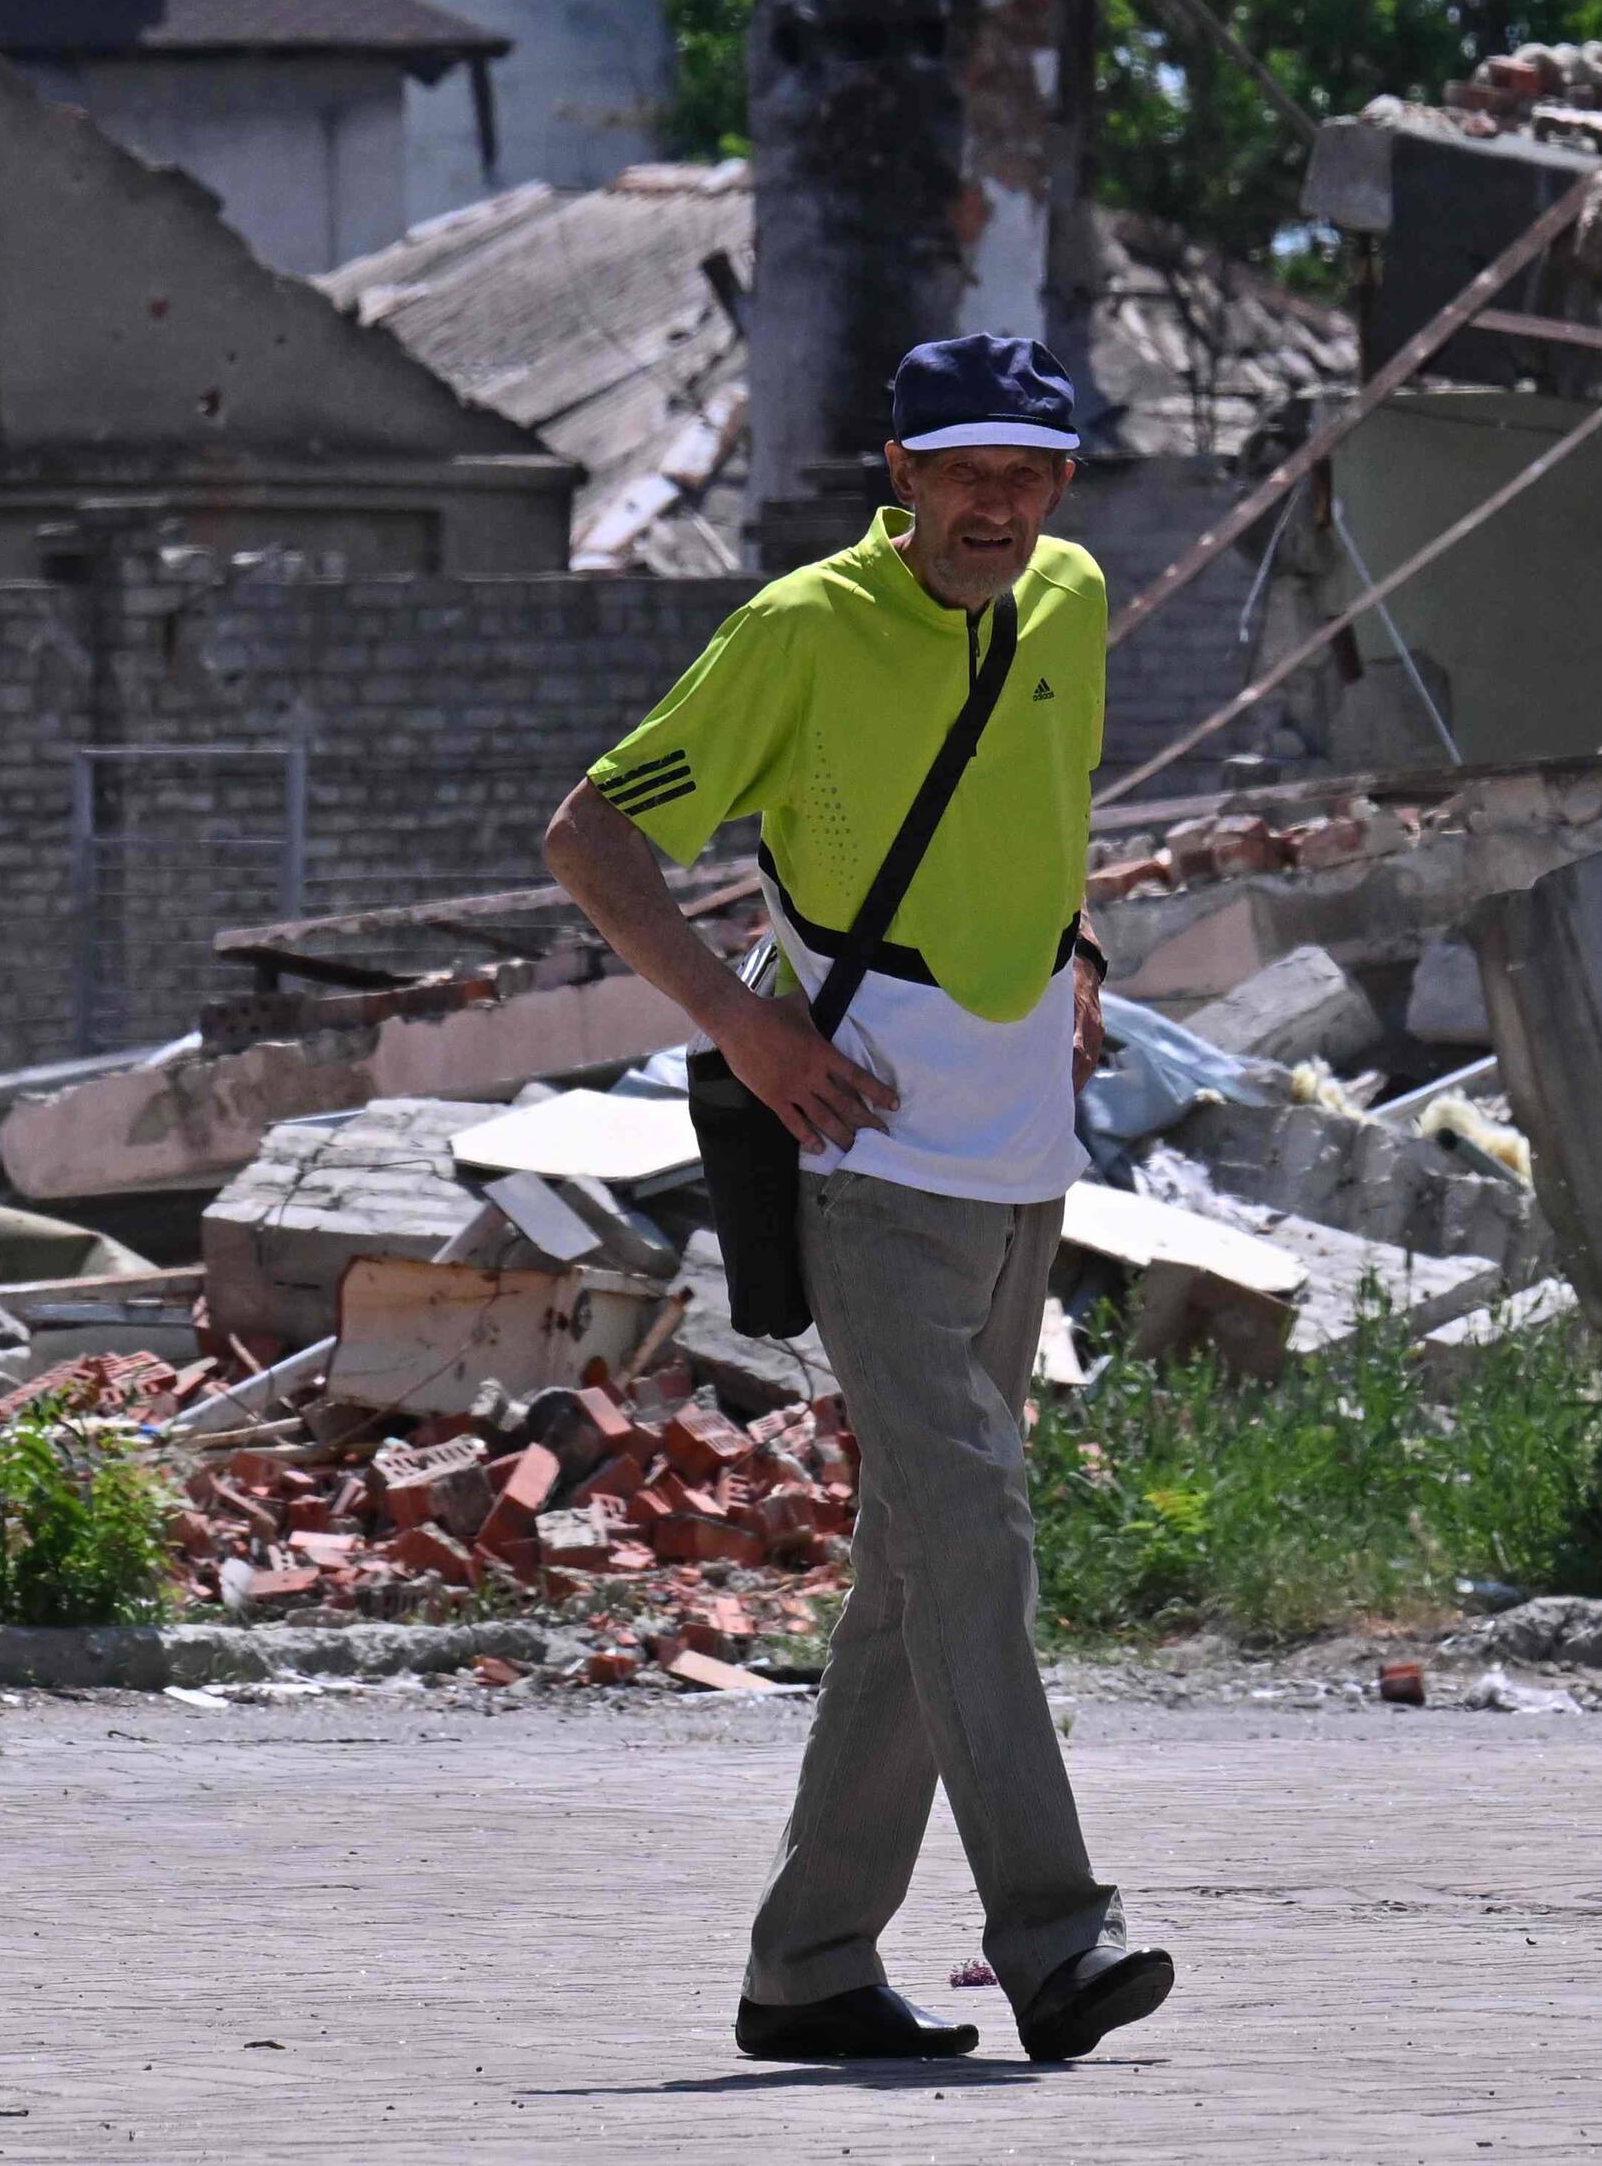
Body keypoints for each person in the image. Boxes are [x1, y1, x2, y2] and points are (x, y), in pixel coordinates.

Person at [539, 331, 1179, 2069]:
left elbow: (1051, 814)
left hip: (1021, 1157)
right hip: (864, 1149)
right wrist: (741, 1023)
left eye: (1028, 472)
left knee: (918, 1567)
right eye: (962, 468)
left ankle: (809, 1969)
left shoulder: (1070, 600)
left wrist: (1082, 949)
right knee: (972, 1526)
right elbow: (592, 835)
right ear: (895, 472)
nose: (998, 502)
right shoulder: (803, 632)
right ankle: (1058, 1937)